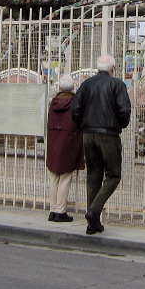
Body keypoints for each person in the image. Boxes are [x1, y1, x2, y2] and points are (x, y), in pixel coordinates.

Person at [71, 54, 131, 235]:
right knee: (113, 175)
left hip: (88, 134)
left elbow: (75, 110)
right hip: (108, 134)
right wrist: (119, 124)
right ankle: (94, 211)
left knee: (94, 175)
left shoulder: (86, 84)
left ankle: (92, 224)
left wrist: (83, 125)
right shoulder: (117, 84)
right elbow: (124, 110)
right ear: (113, 68)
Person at [46, 74, 84, 222]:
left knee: (53, 177)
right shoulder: (75, 103)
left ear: (60, 88)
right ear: (73, 88)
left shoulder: (53, 103)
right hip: (68, 142)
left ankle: (53, 209)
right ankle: (61, 211)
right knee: (65, 178)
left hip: (54, 143)